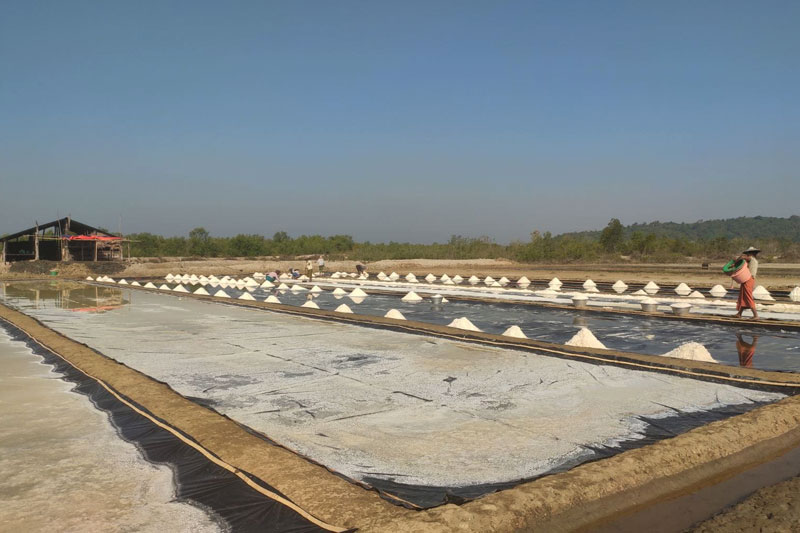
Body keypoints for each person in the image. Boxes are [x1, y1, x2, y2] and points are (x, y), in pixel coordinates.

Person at [734, 246, 760, 320]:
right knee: (743, 296)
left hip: (749, 279)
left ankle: (756, 315)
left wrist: (735, 261)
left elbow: (742, 257)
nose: (748, 255)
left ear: (751, 254)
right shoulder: (753, 260)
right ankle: (739, 314)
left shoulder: (751, 259)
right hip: (746, 278)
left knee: (748, 296)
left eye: (748, 253)